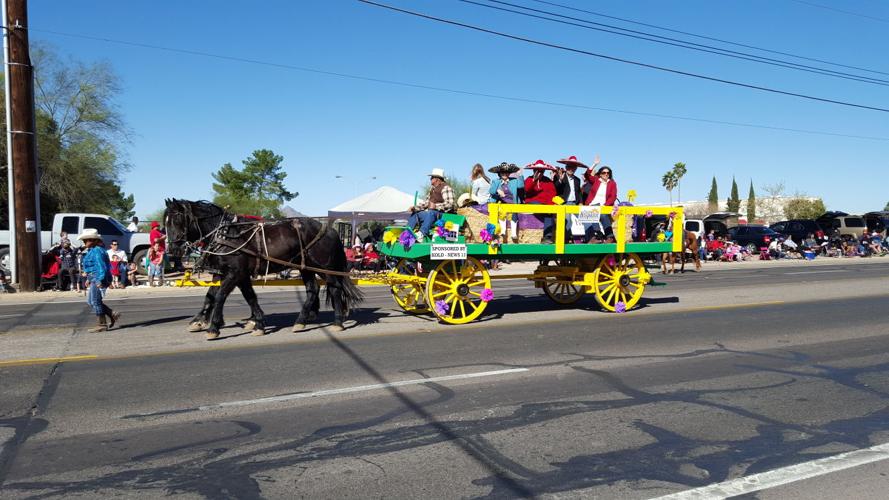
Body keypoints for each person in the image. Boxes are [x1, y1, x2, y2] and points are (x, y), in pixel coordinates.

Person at [78, 228, 120, 332]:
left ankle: (102, 324)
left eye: (86, 240)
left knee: (95, 301)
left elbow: (101, 267)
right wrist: (89, 278)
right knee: (91, 301)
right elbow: (93, 267)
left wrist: (99, 280)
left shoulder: (97, 251)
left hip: (97, 277)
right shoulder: (93, 250)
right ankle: (111, 313)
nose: (84, 242)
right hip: (93, 277)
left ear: (93, 240)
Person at [407, 168, 455, 242]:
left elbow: (450, 204)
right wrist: (415, 208)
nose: (430, 179)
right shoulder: (432, 189)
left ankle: (421, 234)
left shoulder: (446, 188)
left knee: (431, 212)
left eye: (432, 177)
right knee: (416, 213)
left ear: (437, 179)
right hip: (432, 215)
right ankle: (407, 234)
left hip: (443, 216)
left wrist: (436, 206)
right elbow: (426, 203)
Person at [555, 155, 596, 242]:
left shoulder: (577, 180)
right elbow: (556, 188)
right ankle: (564, 240)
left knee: (586, 217)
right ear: (566, 167)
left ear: (576, 168)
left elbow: (578, 193)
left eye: (573, 167)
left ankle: (591, 238)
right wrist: (560, 180)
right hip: (564, 203)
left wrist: (581, 202)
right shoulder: (560, 177)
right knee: (568, 220)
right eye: (569, 167)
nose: (571, 169)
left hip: (575, 203)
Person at [523, 159, 558, 244]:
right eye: (537, 170)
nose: (539, 173)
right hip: (532, 203)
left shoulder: (548, 181)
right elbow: (526, 191)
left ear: (544, 171)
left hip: (545, 206)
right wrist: (533, 181)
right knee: (543, 208)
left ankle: (547, 237)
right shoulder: (529, 179)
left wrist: (552, 205)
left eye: (541, 171)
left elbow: (552, 194)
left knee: (550, 212)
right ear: (533, 170)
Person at [488, 162, 523, 243]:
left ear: (509, 173)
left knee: (514, 214)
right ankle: (503, 232)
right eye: (502, 172)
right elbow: (491, 191)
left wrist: (520, 175)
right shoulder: (496, 181)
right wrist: (498, 191)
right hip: (502, 203)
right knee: (502, 213)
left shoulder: (514, 181)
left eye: (506, 172)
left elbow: (521, 186)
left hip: (512, 203)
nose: (504, 174)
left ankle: (514, 234)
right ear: (499, 173)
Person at [583, 164, 617, 238]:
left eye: (608, 173)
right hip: (592, 204)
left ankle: (609, 236)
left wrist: (605, 205)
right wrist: (594, 164)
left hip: (604, 205)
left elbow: (613, 196)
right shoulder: (596, 180)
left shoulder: (612, 183)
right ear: (600, 174)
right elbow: (587, 175)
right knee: (589, 213)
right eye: (604, 173)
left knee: (603, 215)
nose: (606, 174)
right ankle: (597, 234)